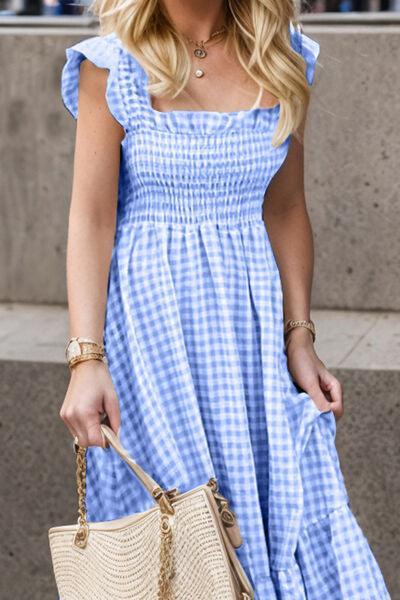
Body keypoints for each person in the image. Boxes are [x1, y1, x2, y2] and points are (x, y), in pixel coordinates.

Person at [59, 0, 391, 597]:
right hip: (152, 346)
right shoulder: (111, 67)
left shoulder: (282, 56)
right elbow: (91, 218)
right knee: (183, 547)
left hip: (253, 345)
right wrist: (86, 360)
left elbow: (286, 209)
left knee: (289, 513)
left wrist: (300, 337)